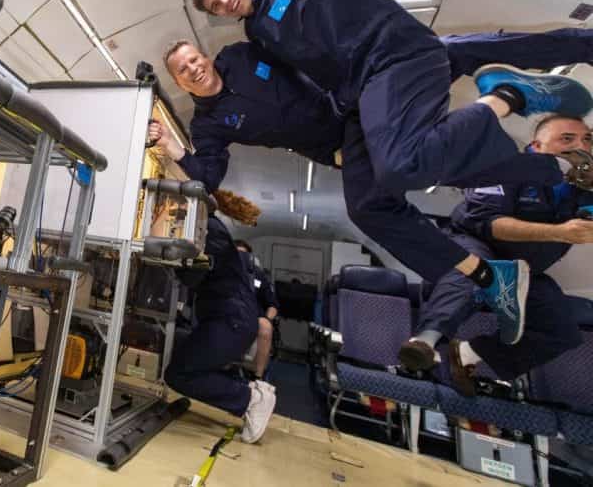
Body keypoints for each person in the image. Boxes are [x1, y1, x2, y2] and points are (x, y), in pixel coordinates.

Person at [186, 0, 593, 339]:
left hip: (391, 52)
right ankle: (490, 271)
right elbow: (305, 85)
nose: (224, 0)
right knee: (368, 206)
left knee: (407, 161)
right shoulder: (256, 38)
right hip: (364, 96)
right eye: (216, 6)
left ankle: (513, 94)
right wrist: (330, 141)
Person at [149, 33, 593, 344]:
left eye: (195, 59)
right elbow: (206, 178)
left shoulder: (240, 54)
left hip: (357, 101)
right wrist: (172, 146)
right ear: (179, 82)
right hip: (344, 145)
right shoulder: (207, 124)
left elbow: (295, 43)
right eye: (184, 70)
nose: (195, 68)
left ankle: (531, 81)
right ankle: (541, 186)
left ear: (204, 56)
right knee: (406, 187)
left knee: (439, 56)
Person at [399, 116, 593, 396]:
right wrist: (561, 232)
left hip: (526, 268)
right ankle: (425, 341)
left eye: (587, 139)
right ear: (536, 147)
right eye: (567, 139)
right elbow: (489, 223)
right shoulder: (506, 168)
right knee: (475, 272)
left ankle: (466, 353)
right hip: (477, 242)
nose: (581, 145)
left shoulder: (581, 188)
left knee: (561, 330)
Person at [165, 216, 276, 443]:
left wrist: (165, 251)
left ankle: (250, 398)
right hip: (226, 318)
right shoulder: (210, 229)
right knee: (183, 366)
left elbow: (193, 275)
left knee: (179, 374)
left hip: (231, 321)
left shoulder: (210, 232)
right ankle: (249, 394)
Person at [234, 239, 280, 378]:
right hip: (229, 312)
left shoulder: (258, 275)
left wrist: (267, 318)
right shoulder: (225, 272)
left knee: (265, 326)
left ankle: (258, 376)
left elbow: (273, 305)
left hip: (253, 317)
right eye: (237, 255)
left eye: (244, 255)